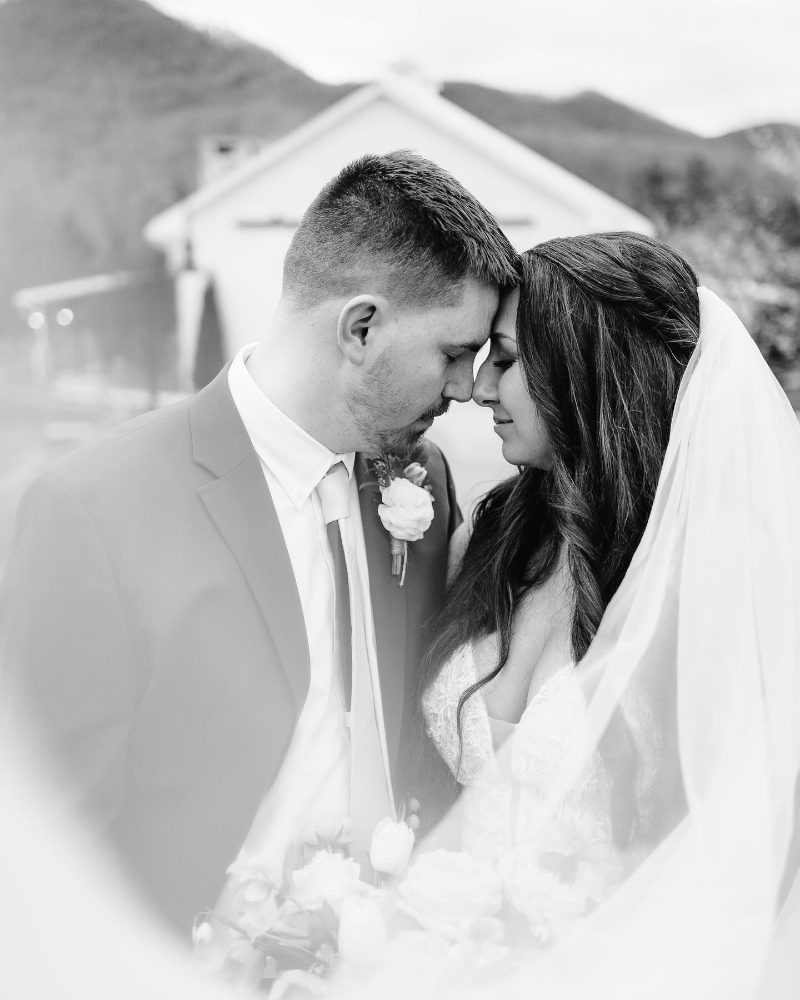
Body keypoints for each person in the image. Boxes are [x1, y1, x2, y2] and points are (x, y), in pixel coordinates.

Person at [0, 150, 519, 939]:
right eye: (453, 352)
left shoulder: (424, 480)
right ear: (362, 327)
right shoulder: (90, 509)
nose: (463, 389)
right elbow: (55, 852)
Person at [389, 232, 800, 998]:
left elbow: (744, 857)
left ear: (590, 368)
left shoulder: (711, 578)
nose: (479, 389)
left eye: (506, 360)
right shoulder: (498, 535)